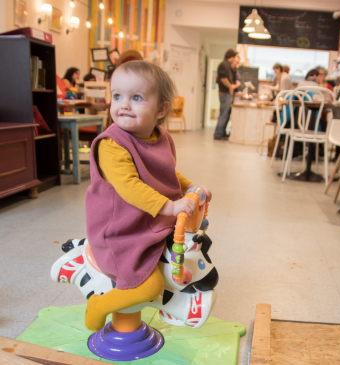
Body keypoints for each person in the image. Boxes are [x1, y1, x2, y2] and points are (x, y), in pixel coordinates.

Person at [84, 60, 212, 331]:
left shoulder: (161, 137)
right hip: (120, 231)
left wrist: (191, 188)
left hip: (149, 221)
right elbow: (130, 186)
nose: (124, 105)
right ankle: (99, 305)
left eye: (136, 98)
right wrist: (170, 206)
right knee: (149, 285)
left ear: (161, 109)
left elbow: (167, 172)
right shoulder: (111, 145)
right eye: (117, 96)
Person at [214, 49, 240, 140]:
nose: (235, 60)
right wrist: (231, 87)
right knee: (224, 114)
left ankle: (222, 133)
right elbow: (223, 79)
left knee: (226, 114)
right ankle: (218, 134)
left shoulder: (227, 66)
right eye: (235, 57)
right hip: (224, 93)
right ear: (231, 56)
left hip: (226, 93)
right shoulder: (224, 65)